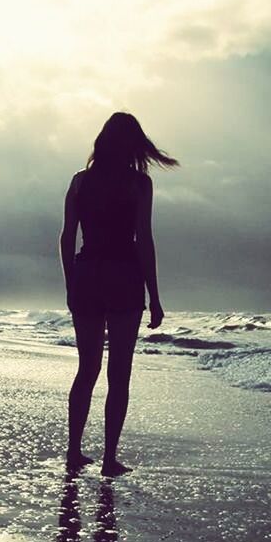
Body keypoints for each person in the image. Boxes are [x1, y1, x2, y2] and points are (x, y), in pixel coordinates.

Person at [60, 111, 178, 477]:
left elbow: (67, 237)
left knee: (87, 369)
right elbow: (144, 239)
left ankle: (74, 451)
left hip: (88, 276)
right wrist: (154, 295)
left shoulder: (80, 182)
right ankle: (109, 459)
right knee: (119, 372)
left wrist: (70, 284)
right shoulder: (139, 184)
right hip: (125, 278)